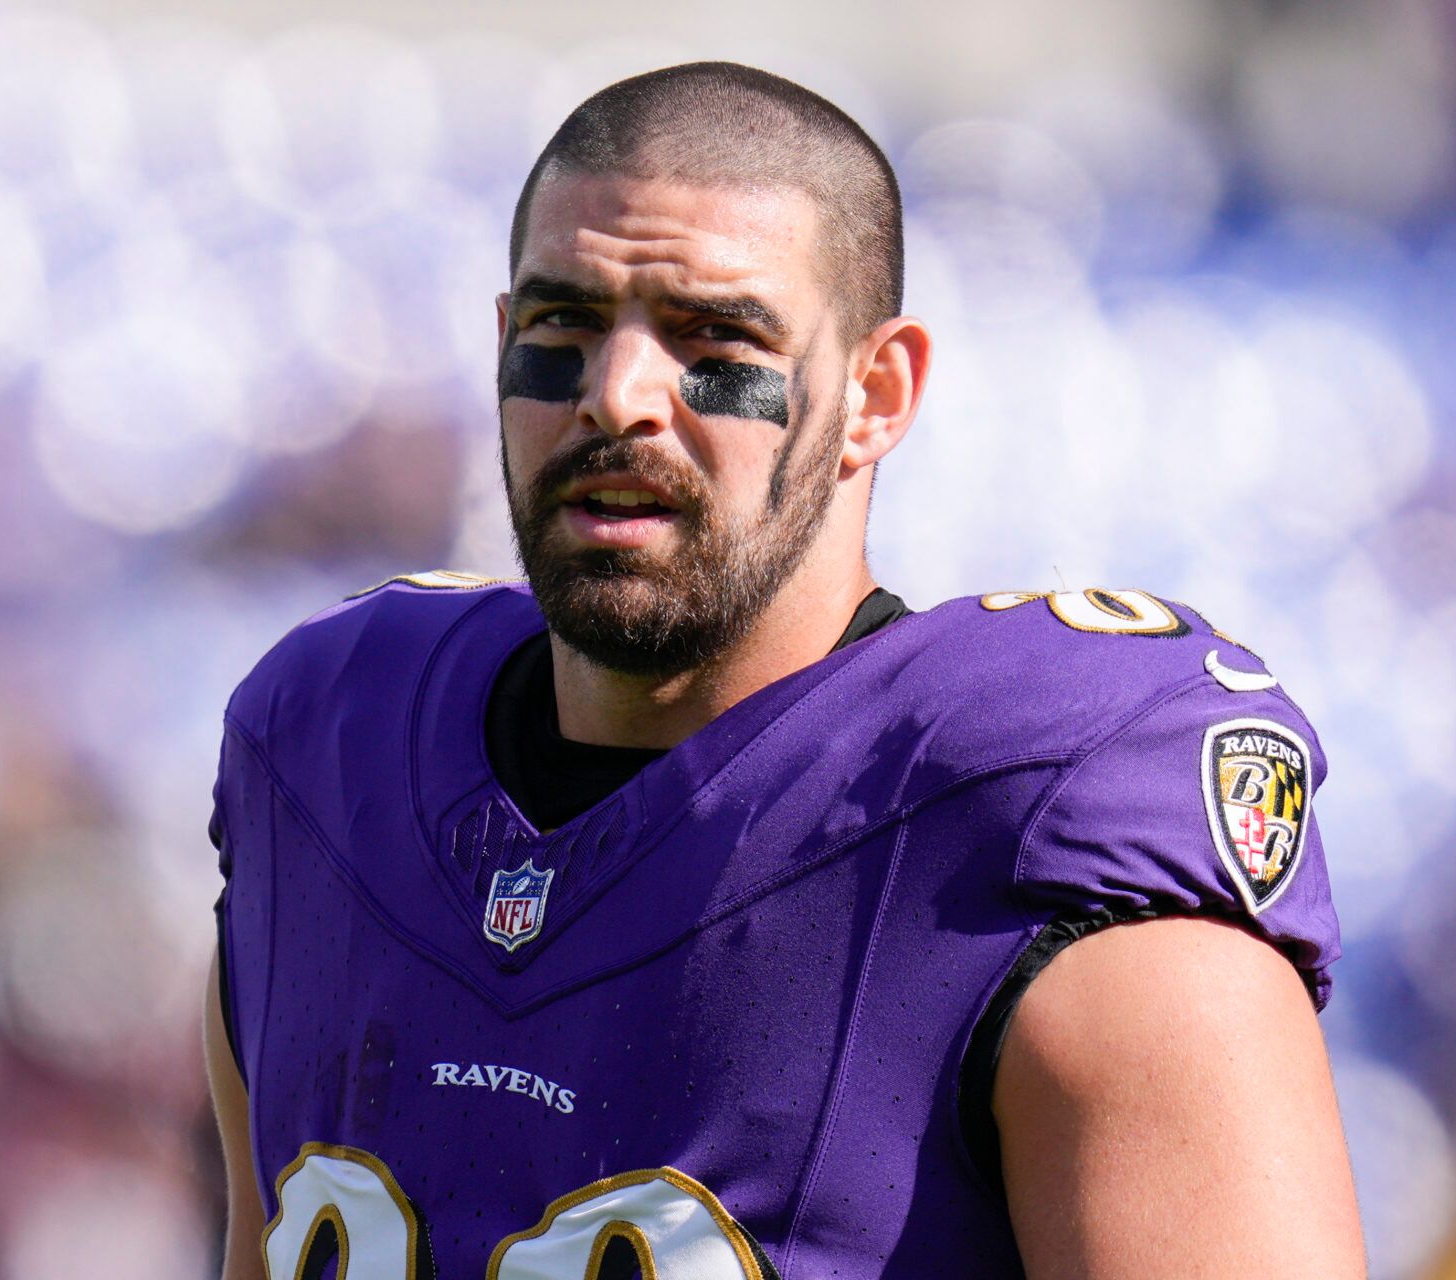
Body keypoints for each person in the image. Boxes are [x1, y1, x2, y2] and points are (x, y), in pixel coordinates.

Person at [204, 62, 1364, 1279]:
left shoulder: (1034, 801)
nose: (616, 397)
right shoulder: (329, 750)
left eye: (715, 336)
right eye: (564, 326)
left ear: (877, 391)